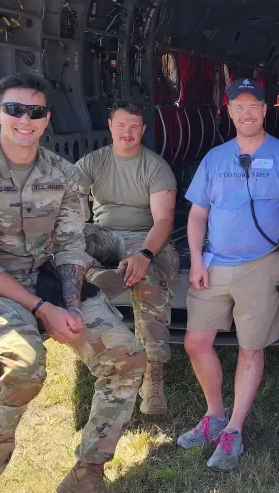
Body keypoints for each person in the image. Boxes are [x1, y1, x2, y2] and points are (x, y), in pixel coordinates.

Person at [0, 73, 145, 493]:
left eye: (35, 111)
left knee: (127, 357)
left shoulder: (64, 174)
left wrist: (68, 305)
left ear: (46, 119)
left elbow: (69, 246)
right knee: (23, 366)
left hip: (49, 281)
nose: (24, 119)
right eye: (14, 109)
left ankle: (87, 474)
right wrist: (39, 308)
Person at [179, 78, 279, 470]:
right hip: (216, 263)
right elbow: (198, 213)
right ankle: (214, 413)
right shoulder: (215, 159)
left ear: (266, 110)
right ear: (229, 111)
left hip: (262, 264)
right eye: (239, 106)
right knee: (195, 342)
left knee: (250, 348)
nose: (247, 112)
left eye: (254, 105)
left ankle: (234, 428)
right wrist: (197, 260)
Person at [76, 100, 179, 416]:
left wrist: (145, 255)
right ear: (110, 126)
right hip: (106, 235)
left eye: (134, 126)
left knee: (146, 279)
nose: (127, 132)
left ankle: (153, 378)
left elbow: (163, 221)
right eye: (121, 125)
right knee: (72, 243)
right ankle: (98, 275)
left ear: (143, 130)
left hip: (148, 239)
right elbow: (68, 202)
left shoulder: (155, 166)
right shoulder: (93, 162)